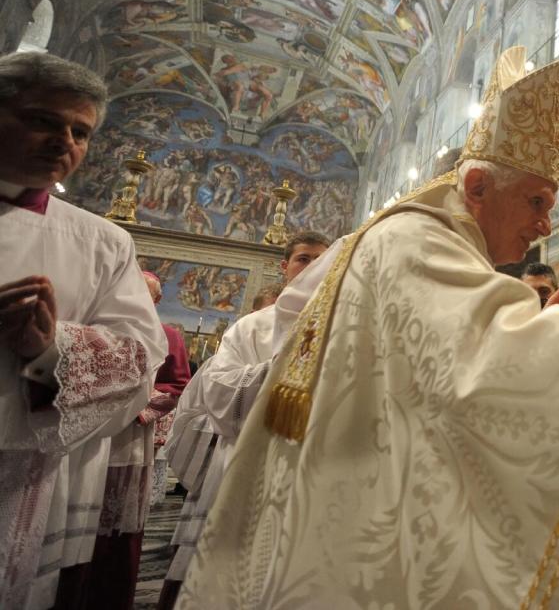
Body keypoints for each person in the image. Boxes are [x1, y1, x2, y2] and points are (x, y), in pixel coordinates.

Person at [178, 46, 559, 609]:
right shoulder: (418, 241)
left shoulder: (424, 240)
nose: (546, 225)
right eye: (537, 201)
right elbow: (486, 365)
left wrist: (544, 326)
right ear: (476, 186)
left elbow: (454, 373)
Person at [0, 52, 167, 609]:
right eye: (43, 120)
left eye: (81, 132)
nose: (64, 142)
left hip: (26, 469)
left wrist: (48, 350)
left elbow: (140, 357)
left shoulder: (103, 242)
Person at [157, 232, 327, 609]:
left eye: (322, 259)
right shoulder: (253, 327)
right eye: (304, 259)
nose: (313, 267)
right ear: (284, 267)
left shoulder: (343, 325)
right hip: (245, 464)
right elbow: (218, 390)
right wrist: (287, 370)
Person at [85, 271, 191, 610]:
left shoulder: (169, 336)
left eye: (147, 294)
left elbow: (177, 386)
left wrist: (132, 407)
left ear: (158, 300)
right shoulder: (96, 324)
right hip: (85, 433)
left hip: (128, 438)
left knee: (118, 525)